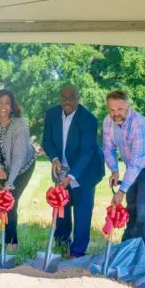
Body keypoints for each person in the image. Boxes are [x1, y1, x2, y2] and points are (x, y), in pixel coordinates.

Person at [103, 90, 145, 257]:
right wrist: (115, 171)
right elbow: (108, 149)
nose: (115, 113)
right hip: (134, 167)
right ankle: (127, 252)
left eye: (120, 109)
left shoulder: (139, 126)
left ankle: (142, 258)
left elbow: (136, 164)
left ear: (128, 106)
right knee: (131, 209)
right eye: (112, 110)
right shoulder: (108, 123)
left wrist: (121, 191)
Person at [42, 84, 104, 258]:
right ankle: (62, 243)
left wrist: (71, 176)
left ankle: (77, 251)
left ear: (78, 98)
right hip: (62, 168)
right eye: (64, 98)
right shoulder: (52, 114)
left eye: (71, 98)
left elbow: (86, 152)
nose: (67, 101)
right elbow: (46, 141)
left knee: (82, 211)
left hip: (85, 170)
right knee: (61, 207)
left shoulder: (88, 119)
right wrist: (54, 158)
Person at [0, 89, 36, 251]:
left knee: (10, 201)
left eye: (7, 103)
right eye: (0, 102)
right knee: (2, 203)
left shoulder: (20, 124)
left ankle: (11, 244)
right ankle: (6, 240)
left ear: (13, 106)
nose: (3, 106)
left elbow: (19, 157)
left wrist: (10, 182)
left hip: (22, 167)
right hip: (2, 166)